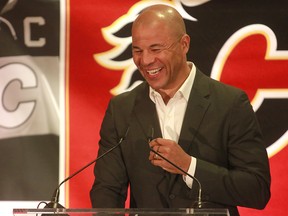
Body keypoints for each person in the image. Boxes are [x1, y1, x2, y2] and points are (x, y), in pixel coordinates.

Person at [90, 4, 271, 216]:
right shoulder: (122, 109)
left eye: (156, 49)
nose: (146, 60)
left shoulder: (230, 103)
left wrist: (189, 166)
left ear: (184, 44)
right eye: (137, 50)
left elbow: (256, 189)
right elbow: (107, 190)